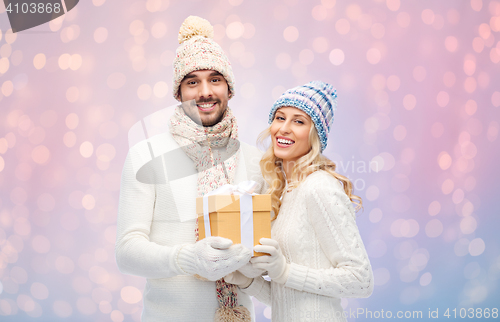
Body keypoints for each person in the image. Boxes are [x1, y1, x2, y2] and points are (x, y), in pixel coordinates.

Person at [115, 16, 265, 322]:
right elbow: (127, 252)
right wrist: (187, 259)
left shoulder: (255, 161)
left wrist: (255, 265)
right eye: (192, 81)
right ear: (178, 92)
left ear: (229, 88)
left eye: (215, 79)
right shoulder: (147, 154)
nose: (205, 92)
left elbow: (267, 259)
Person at [225, 81, 374, 321]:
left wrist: (284, 270)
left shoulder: (319, 186)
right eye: (279, 117)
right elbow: (288, 296)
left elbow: (361, 280)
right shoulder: (284, 193)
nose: (284, 128)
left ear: (315, 136)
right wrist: (246, 281)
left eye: (299, 121)